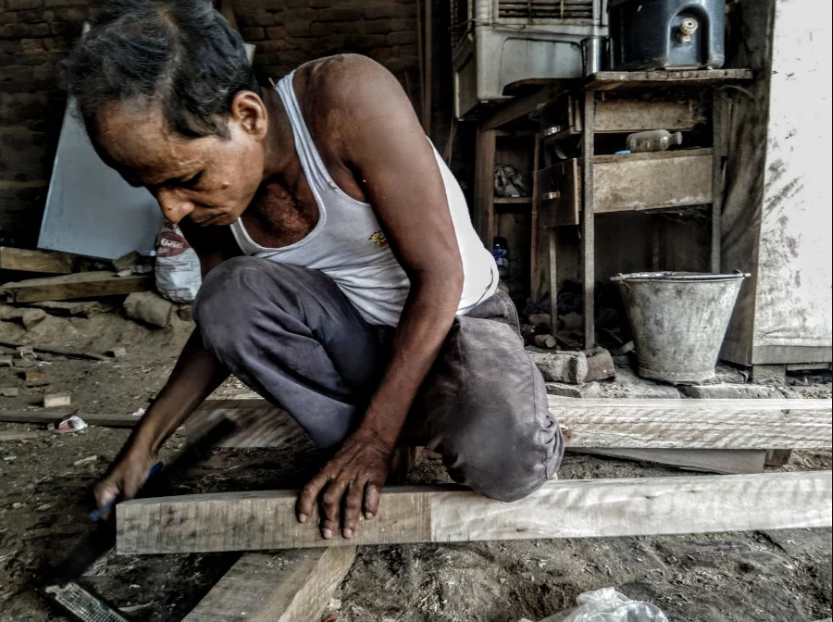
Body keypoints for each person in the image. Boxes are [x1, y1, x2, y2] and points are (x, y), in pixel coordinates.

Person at [62, 0, 564, 540]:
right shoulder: (205, 208)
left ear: (248, 116)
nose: (171, 209)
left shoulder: (345, 99)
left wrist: (374, 437)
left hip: (458, 319)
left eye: (186, 177)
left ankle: (446, 425)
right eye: (149, 187)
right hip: (357, 346)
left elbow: (440, 277)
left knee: (510, 465)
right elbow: (220, 328)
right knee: (227, 295)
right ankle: (377, 433)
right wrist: (145, 445)